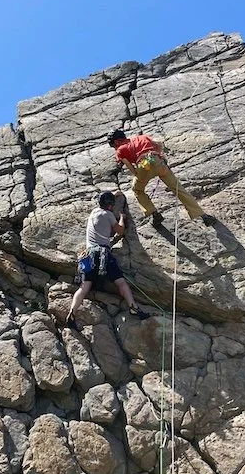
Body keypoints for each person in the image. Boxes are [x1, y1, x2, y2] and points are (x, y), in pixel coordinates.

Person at [66, 191, 149, 328]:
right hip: (102, 254)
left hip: (88, 254)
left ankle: (73, 311)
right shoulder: (109, 215)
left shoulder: (93, 213)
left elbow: (106, 224)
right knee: (121, 282)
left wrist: (115, 194)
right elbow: (120, 231)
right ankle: (133, 307)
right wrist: (122, 217)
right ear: (110, 206)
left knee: (84, 286)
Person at [107, 129, 216, 227]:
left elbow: (129, 166)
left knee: (137, 190)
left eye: (113, 146)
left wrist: (138, 175)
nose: (114, 148)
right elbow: (158, 145)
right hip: (157, 161)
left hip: (143, 165)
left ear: (116, 142)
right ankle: (203, 216)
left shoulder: (120, 150)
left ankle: (154, 214)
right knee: (178, 189)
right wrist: (161, 159)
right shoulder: (142, 137)